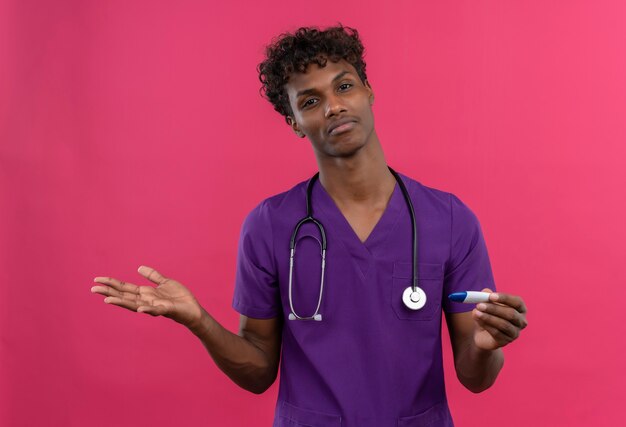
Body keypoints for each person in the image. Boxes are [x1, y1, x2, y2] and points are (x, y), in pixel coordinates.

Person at [91, 25, 528, 426]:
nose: (334, 106)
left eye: (344, 86)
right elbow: (259, 369)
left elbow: (476, 377)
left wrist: (486, 347)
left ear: (368, 92)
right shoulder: (270, 225)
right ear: (294, 123)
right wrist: (199, 320)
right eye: (310, 101)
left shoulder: (449, 220)